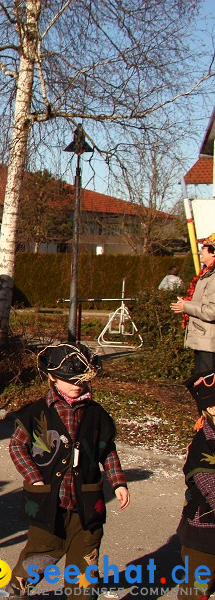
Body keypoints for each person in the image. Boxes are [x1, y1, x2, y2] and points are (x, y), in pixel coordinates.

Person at [6, 342, 130, 598]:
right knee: (42, 551)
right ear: (52, 377)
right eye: (69, 379)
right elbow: (17, 446)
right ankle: (18, 588)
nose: (76, 384)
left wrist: (118, 482)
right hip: (48, 499)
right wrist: (34, 479)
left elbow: (107, 450)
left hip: (87, 501)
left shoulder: (97, 415)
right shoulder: (38, 412)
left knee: (86, 557)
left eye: (81, 380)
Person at [176, 372, 215, 600]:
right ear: (209, 409)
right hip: (205, 534)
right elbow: (209, 484)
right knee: (196, 591)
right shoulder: (204, 443)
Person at [172, 234, 215, 373]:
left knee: (207, 388)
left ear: (213, 252)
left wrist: (186, 306)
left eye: (204, 247)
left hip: (209, 343)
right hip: (205, 340)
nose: (200, 250)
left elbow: (211, 311)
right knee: (203, 386)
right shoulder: (207, 274)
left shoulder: (214, 277)